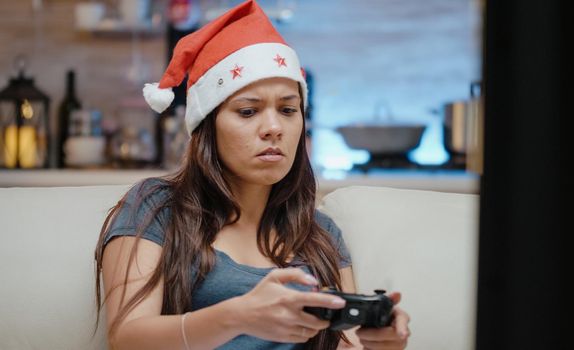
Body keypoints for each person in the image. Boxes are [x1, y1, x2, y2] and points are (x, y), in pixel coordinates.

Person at [94, 1, 411, 349]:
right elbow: (126, 338)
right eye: (248, 111)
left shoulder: (320, 237)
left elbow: (346, 345)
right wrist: (238, 316)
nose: (274, 127)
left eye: (289, 110)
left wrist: (381, 346)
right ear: (208, 126)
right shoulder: (155, 207)